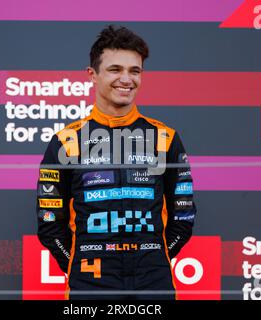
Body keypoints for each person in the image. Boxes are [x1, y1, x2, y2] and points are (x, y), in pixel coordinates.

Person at [36, 25, 196, 300]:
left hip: (154, 285)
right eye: (115, 69)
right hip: (89, 286)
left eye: (135, 71)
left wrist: (154, 257)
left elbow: (183, 216)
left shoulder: (165, 138)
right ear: (92, 75)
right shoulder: (65, 141)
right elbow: (49, 221)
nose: (126, 79)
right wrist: (78, 262)